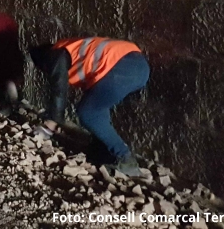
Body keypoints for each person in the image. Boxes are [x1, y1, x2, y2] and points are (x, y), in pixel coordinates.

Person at [29, 37, 150, 176]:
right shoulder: (72, 51)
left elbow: (59, 89)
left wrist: (51, 123)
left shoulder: (55, 55)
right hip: (138, 65)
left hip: (122, 67)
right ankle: (102, 150)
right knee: (96, 108)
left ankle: (125, 158)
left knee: (87, 113)